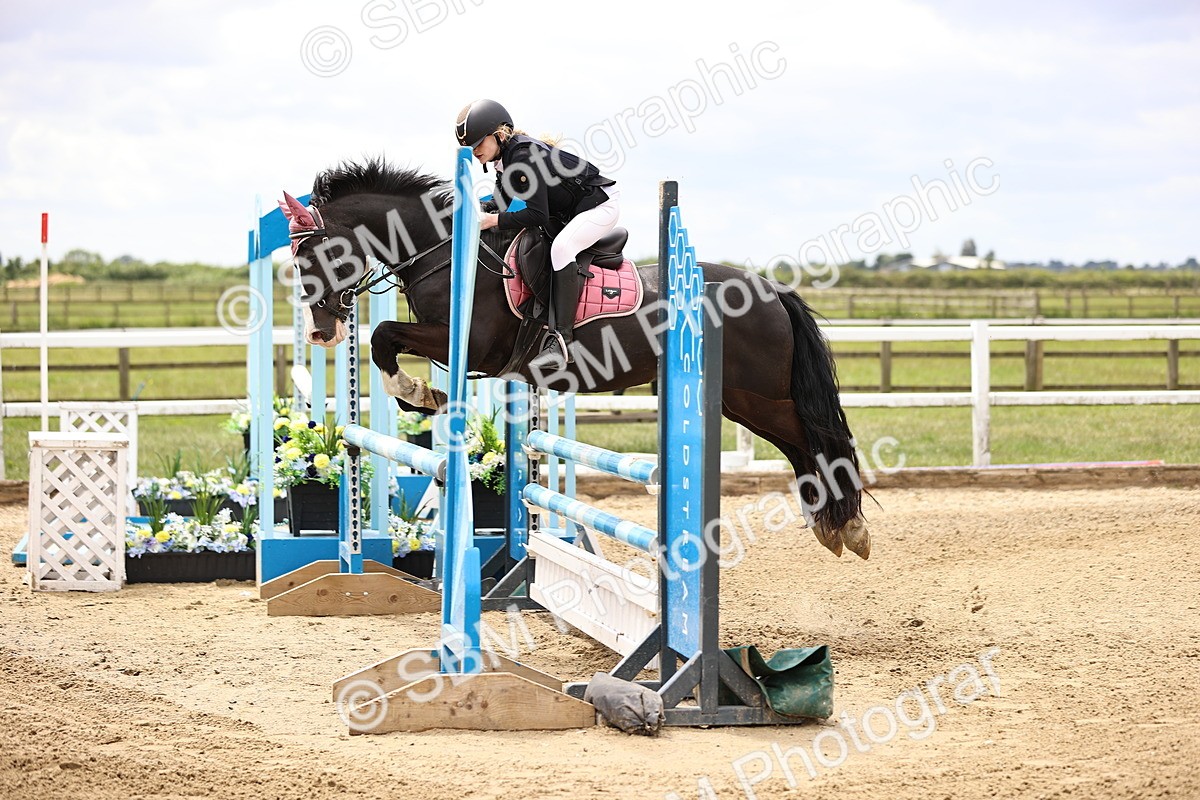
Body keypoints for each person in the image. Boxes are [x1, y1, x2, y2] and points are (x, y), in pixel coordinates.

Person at [455, 99, 619, 367]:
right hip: (575, 210)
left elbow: (536, 215)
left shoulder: (523, 156)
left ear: (499, 134)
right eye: (469, 147)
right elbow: (502, 202)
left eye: (477, 144)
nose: (474, 151)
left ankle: (562, 341)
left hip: (601, 205)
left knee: (562, 249)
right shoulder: (507, 160)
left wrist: (491, 221)